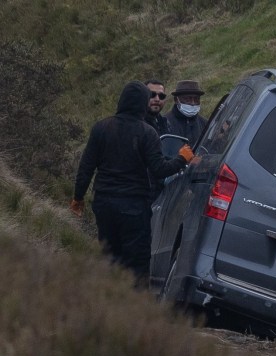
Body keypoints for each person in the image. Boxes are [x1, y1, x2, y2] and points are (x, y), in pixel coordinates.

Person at [69, 80, 194, 289]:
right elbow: (159, 170)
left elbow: (86, 167)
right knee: (136, 263)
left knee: (110, 256)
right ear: (142, 104)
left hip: (104, 204)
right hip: (134, 208)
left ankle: (106, 299)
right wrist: (182, 158)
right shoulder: (147, 133)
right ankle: (132, 309)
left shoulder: (101, 127)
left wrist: (77, 197)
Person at [164, 80, 207, 146]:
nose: (193, 103)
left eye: (196, 99)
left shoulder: (204, 124)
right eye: (187, 99)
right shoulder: (164, 122)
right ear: (176, 100)